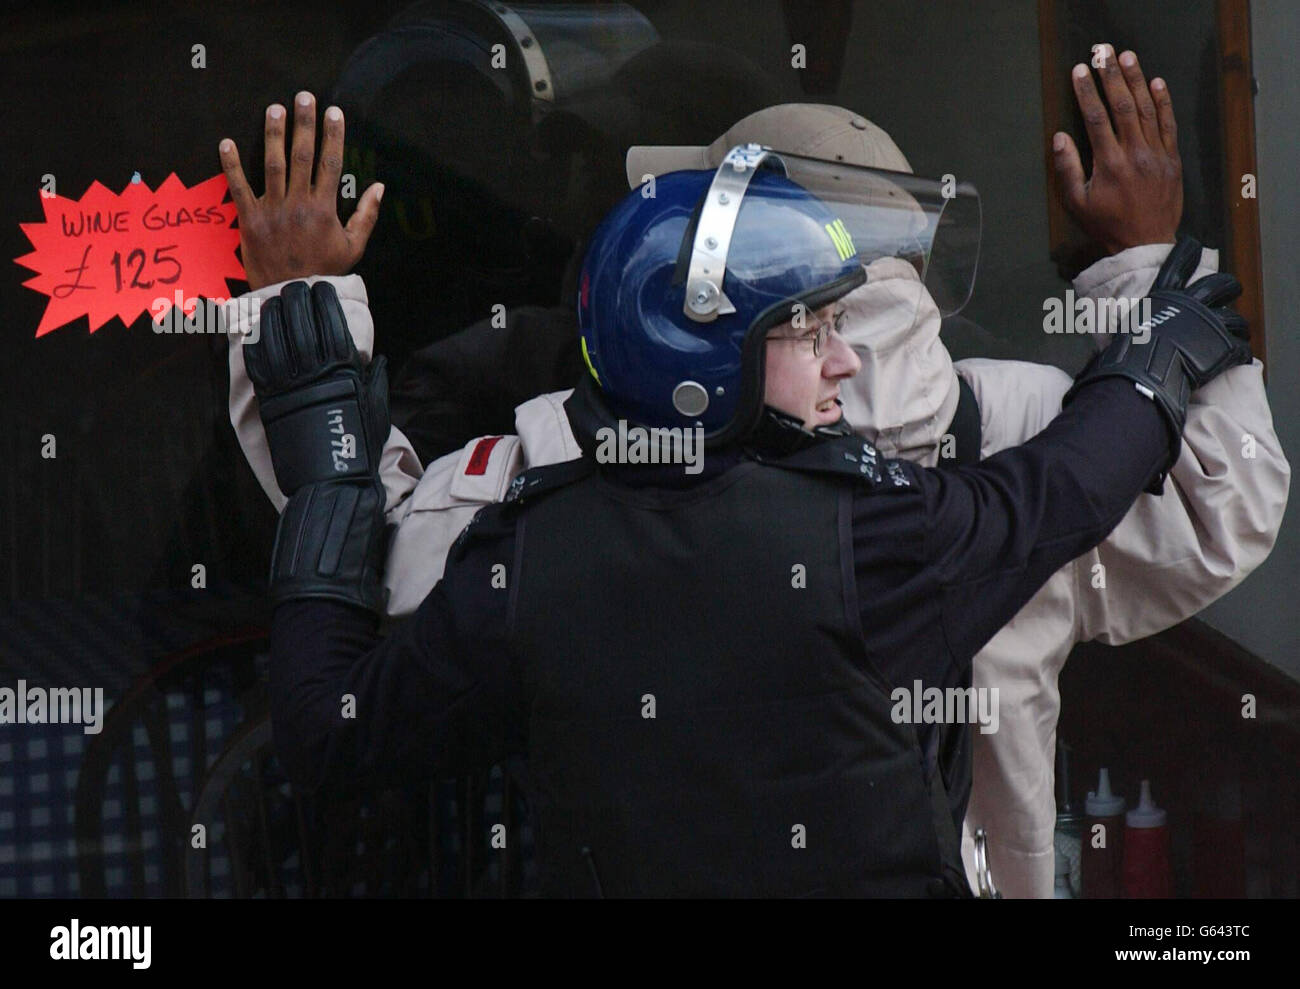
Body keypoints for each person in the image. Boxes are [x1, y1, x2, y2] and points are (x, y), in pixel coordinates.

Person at [220, 50, 1289, 896]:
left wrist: (301, 307)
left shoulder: (565, 467)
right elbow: (1218, 503)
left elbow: (366, 539)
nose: (837, 359)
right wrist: (1142, 274)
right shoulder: (1013, 422)